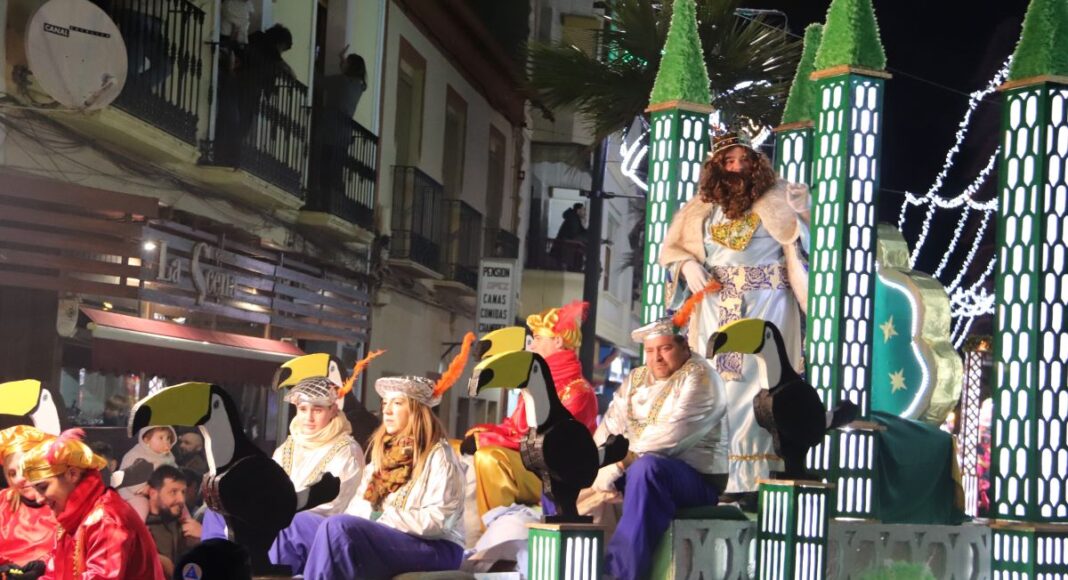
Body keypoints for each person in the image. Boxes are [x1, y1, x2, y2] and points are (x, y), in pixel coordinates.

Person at [658, 131, 810, 497]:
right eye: (729, 161)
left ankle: (757, 478)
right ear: (716, 167)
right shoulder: (699, 208)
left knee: (761, 387)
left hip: (767, 306)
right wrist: (685, 264)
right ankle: (720, 474)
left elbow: (811, 242)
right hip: (714, 308)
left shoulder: (780, 198)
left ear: (757, 163)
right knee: (718, 388)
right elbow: (672, 249)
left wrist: (804, 210)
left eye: (743, 159)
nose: (737, 167)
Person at [292, 334, 474, 579]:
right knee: (296, 522)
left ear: (416, 411)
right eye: (385, 403)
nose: (386, 410)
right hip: (386, 534)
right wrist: (367, 519)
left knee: (339, 528)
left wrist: (380, 518)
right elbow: (359, 506)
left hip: (437, 547)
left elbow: (440, 520)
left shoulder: (438, 455)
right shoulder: (382, 455)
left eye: (397, 403)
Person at [592, 318, 729, 580]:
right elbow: (610, 426)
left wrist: (619, 462)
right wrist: (595, 463)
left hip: (695, 480)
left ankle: (620, 574)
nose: (657, 358)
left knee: (647, 469)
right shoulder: (636, 378)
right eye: (651, 350)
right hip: (633, 468)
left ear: (684, 346)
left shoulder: (702, 377)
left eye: (665, 348)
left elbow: (671, 437)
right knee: (566, 474)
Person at [461, 301, 598, 519]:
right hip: (530, 463)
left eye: (538, 339)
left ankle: (495, 533)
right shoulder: (538, 382)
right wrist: (484, 433)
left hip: (555, 476)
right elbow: (515, 427)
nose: (531, 346)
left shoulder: (578, 392)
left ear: (558, 341)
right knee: (458, 447)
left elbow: (547, 444)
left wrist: (488, 441)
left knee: (490, 459)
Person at [20, 428, 165, 579]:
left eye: (43, 487)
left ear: (73, 474)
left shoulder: (106, 518)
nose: (39, 499)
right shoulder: (74, 516)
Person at [272, 377, 365, 516]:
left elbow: (334, 504)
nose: (309, 417)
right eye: (303, 409)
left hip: (317, 525)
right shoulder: (286, 448)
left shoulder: (346, 450)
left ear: (333, 410)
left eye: (317, 410)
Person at [0, 426, 57, 568]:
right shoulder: (2, 501)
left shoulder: (63, 503)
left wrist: (43, 569)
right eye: (12, 473)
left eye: (25, 469)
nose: (19, 479)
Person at [144, 465, 200, 577]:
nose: (181, 500)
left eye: (183, 492)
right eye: (173, 492)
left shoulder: (181, 526)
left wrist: (204, 538)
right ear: (153, 493)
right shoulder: (138, 529)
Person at [117, 425, 179, 520]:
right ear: (146, 440)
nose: (166, 442)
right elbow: (128, 476)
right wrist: (142, 487)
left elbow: (174, 472)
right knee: (141, 505)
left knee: (179, 501)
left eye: (168, 438)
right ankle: (138, 529)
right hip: (134, 493)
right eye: (161, 438)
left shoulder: (169, 456)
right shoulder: (135, 454)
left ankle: (186, 523)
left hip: (159, 491)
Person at [550, 203, 588, 271]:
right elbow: (575, 235)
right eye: (583, 210)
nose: (585, 213)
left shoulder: (574, 218)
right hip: (562, 251)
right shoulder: (573, 219)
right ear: (578, 210)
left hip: (562, 250)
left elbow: (581, 233)